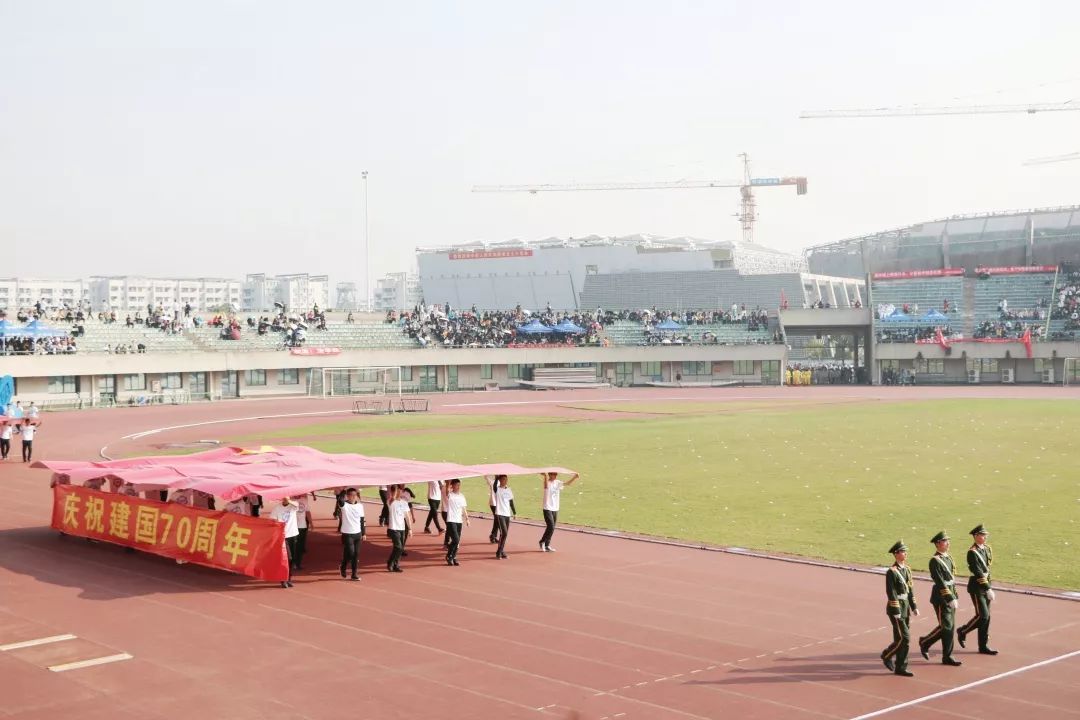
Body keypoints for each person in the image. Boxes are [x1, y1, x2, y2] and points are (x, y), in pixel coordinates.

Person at [918, 530, 962, 666]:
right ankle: (945, 655)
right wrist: (949, 597)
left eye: (948, 541)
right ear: (938, 544)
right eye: (945, 541)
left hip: (951, 593)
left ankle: (926, 642)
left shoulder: (948, 558)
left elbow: (951, 579)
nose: (948, 543)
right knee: (947, 627)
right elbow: (940, 581)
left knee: (949, 627)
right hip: (941, 597)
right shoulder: (935, 561)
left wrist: (954, 595)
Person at [958, 524, 998, 655]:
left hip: (986, 584)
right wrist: (987, 588)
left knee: (986, 617)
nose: (985, 537)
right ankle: (963, 631)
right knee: (983, 616)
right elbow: (977, 571)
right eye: (982, 535)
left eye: (985, 535)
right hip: (977, 587)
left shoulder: (987, 549)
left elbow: (987, 567)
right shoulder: (972, 552)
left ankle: (983, 646)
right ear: (975, 536)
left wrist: (989, 585)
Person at [881, 540, 918, 677]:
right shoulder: (892, 572)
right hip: (895, 608)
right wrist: (896, 610)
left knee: (900, 638)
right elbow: (891, 592)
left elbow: (910, 589)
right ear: (896, 554)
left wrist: (914, 606)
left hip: (905, 607)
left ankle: (901, 667)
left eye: (905, 551)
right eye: (902, 551)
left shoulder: (907, 569)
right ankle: (887, 655)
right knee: (905, 638)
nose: (905, 553)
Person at [539, 471, 578, 552]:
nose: (555, 476)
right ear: (550, 475)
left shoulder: (557, 482)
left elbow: (567, 484)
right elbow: (546, 487)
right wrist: (545, 476)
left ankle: (547, 545)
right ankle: (542, 541)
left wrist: (574, 477)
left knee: (552, 527)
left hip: (555, 508)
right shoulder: (547, 482)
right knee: (551, 526)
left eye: (555, 474)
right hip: (547, 508)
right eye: (553, 474)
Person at [269, 497, 300, 588]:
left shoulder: (293, 506)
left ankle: (288, 578)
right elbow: (272, 520)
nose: (285, 499)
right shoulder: (277, 508)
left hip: (293, 534)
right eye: (284, 497)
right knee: (287, 558)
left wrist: (289, 500)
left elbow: (296, 505)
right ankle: (283, 579)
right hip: (283, 536)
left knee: (292, 559)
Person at [337, 488, 366, 581]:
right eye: (351, 495)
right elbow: (340, 500)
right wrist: (343, 490)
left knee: (356, 555)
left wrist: (364, 533)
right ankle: (343, 566)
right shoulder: (344, 505)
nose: (353, 497)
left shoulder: (360, 506)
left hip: (358, 533)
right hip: (347, 533)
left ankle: (354, 574)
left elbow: (362, 520)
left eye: (355, 495)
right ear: (347, 496)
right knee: (351, 553)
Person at [443, 479, 469, 566]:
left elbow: (463, 508)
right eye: (456, 485)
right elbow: (447, 492)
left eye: (459, 485)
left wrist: (467, 518)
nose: (458, 487)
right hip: (451, 520)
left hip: (459, 521)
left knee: (457, 541)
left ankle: (453, 557)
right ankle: (449, 556)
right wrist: (448, 483)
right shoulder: (450, 495)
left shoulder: (462, 496)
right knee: (456, 539)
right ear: (452, 486)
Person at [386, 486, 411, 572]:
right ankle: (390, 562)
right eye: (397, 491)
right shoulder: (390, 501)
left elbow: (407, 516)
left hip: (402, 528)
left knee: (400, 548)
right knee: (398, 547)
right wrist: (394, 493)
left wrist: (410, 529)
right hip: (393, 528)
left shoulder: (404, 503)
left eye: (401, 491)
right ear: (393, 492)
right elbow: (391, 500)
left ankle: (396, 565)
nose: (400, 493)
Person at [492, 475, 515, 559]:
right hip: (500, 514)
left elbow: (511, 501)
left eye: (506, 479)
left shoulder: (508, 490)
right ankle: (499, 552)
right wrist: (496, 478)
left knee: (505, 534)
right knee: (504, 532)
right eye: (504, 479)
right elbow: (494, 486)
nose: (505, 481)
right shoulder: (497, 489)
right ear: (500, 480)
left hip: (507, 514)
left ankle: (501, 551)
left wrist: (514, 512)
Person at [292, 494, 314, 570]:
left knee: (300, 546)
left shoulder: (304, 500)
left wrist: (311, 523)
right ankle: (292, 562)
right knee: (293, 545)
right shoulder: (290, 500)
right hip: (292, 527)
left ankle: (297, 563)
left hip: (302, 526)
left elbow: (307, 512)